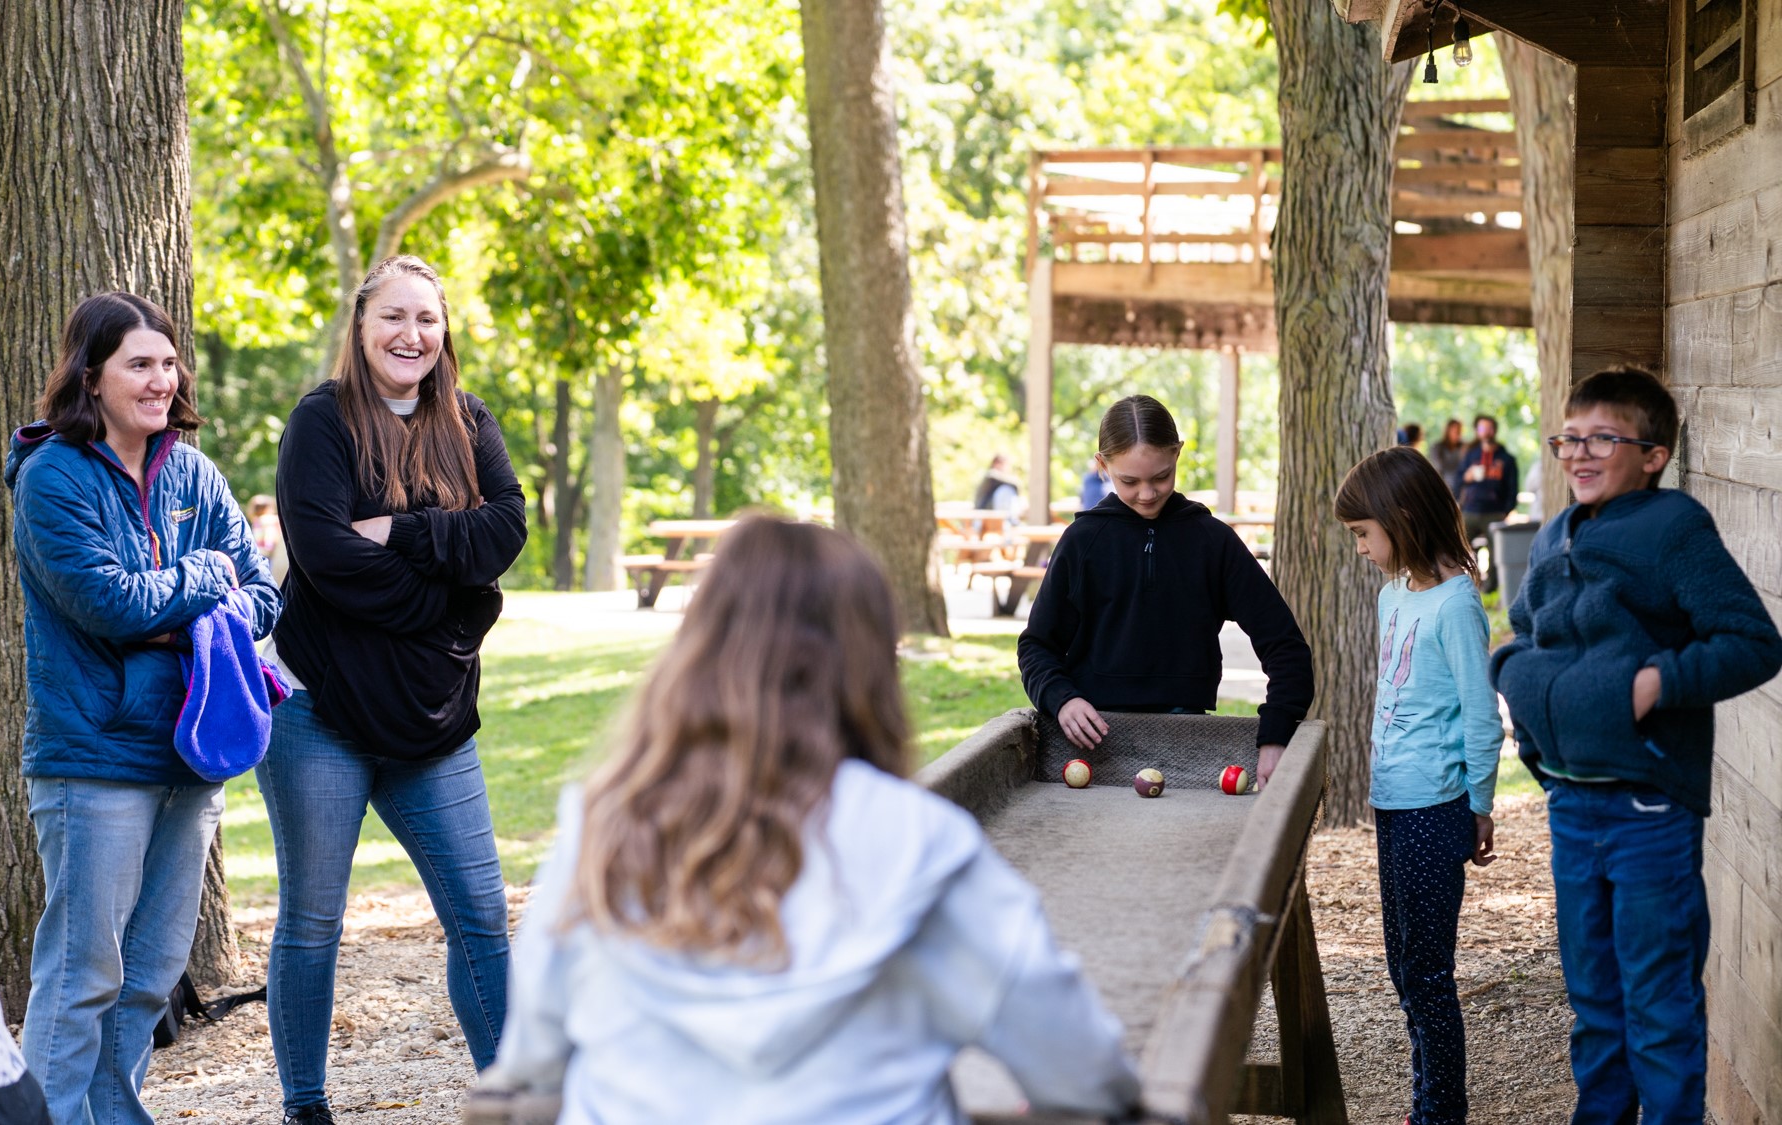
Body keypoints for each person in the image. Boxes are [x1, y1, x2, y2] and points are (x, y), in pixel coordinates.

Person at [487, 517, 1141, 1122]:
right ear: (866, 666)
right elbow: (1076, 1064)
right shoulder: (917, 840)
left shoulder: (604, 824)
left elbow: (532, 1056)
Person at [7, 292, 280, 1125]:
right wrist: (204, 585)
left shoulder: (193, 472)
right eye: (139, 364)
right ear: (91, 376)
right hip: (92, 762)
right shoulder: (53, 474)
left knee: (151, 974)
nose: (161, 380)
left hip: (191, 757)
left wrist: (191, 605)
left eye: (167, 363)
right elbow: (110, 604)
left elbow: (264, 594)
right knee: (82, 975)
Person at [266, 255, 526, 1124]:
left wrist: (405, 532)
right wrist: (448, 597)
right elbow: (326, 557)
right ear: (361, 323)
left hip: (433, 717)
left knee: (483, 915)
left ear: (445, 329)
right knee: (313, 921)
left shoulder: (467, 419)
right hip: (320, 712)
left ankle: (512, 1095)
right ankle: (306, 1104)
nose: (411, 334)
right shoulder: (321, 422)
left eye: (427, 318)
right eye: (393, 317)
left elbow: (507, 527)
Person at [1491, 367, 1782, 1125]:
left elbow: (1753, 642)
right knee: (1595, 1006)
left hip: (1649, 808)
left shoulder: (1673, 527)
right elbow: (1531, 628)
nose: (1579, 454)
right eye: (1569, 439)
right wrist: (1515, 671)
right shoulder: (1557, 531)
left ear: (1651, 454)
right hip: (1571, 803)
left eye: (1602, 439)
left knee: (1658, 1008)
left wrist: (1654, 682)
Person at [1019, 395, 1313, 786]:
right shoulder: (1081, 541)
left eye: (1161, 476)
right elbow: (1036, 646)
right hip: (1090, 747)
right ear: (1103, 465)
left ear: (1177, 454)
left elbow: (1285, 646)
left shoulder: (1213, 542)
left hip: (1187, 738)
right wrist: (1062, 698)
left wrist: (1276, 733)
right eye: (1129, 481)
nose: (1147, 493)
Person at [1334, 446, 1503, 1125]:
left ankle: (1441, 1113)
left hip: (1438, 807)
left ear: (1402, 519)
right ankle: (1426, 1103)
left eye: (1363, 535)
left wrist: (1481, 805)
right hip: (1394, 803)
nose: (1359, 549)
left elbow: (1482, 717)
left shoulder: (1458, 605)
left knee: (1429, 975)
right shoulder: (1392, 594)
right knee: (1404, 966)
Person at [1453, 414, 1517, 592]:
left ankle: (1492, 589)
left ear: (1494, 431)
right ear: (1476, 431)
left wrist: (1505, 511)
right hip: (1470, 510)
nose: (1486, 432)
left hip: (1494, 512)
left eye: (1489, 428)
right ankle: (1468, 584)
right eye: (1482, 428)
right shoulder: (1470, 456)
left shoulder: (1506, 459)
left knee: (1497, 552)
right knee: (1458, 547)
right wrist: (1467, 477)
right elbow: (1457, 482)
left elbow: (1513, 488)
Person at [247, 492, 289, 586]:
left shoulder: (261, 521)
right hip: (284, 558)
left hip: (269, 558)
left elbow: (267, 543)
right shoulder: (277, 519)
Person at [1430, 419, 1466, 486]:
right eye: (1454, 430)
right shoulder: (1437, 448)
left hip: (1460, 486)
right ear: (1448, 431)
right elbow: (1437, 468)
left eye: (1459, 430)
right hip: (1442, 485)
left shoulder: (1464, 448)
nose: (1457, 433)